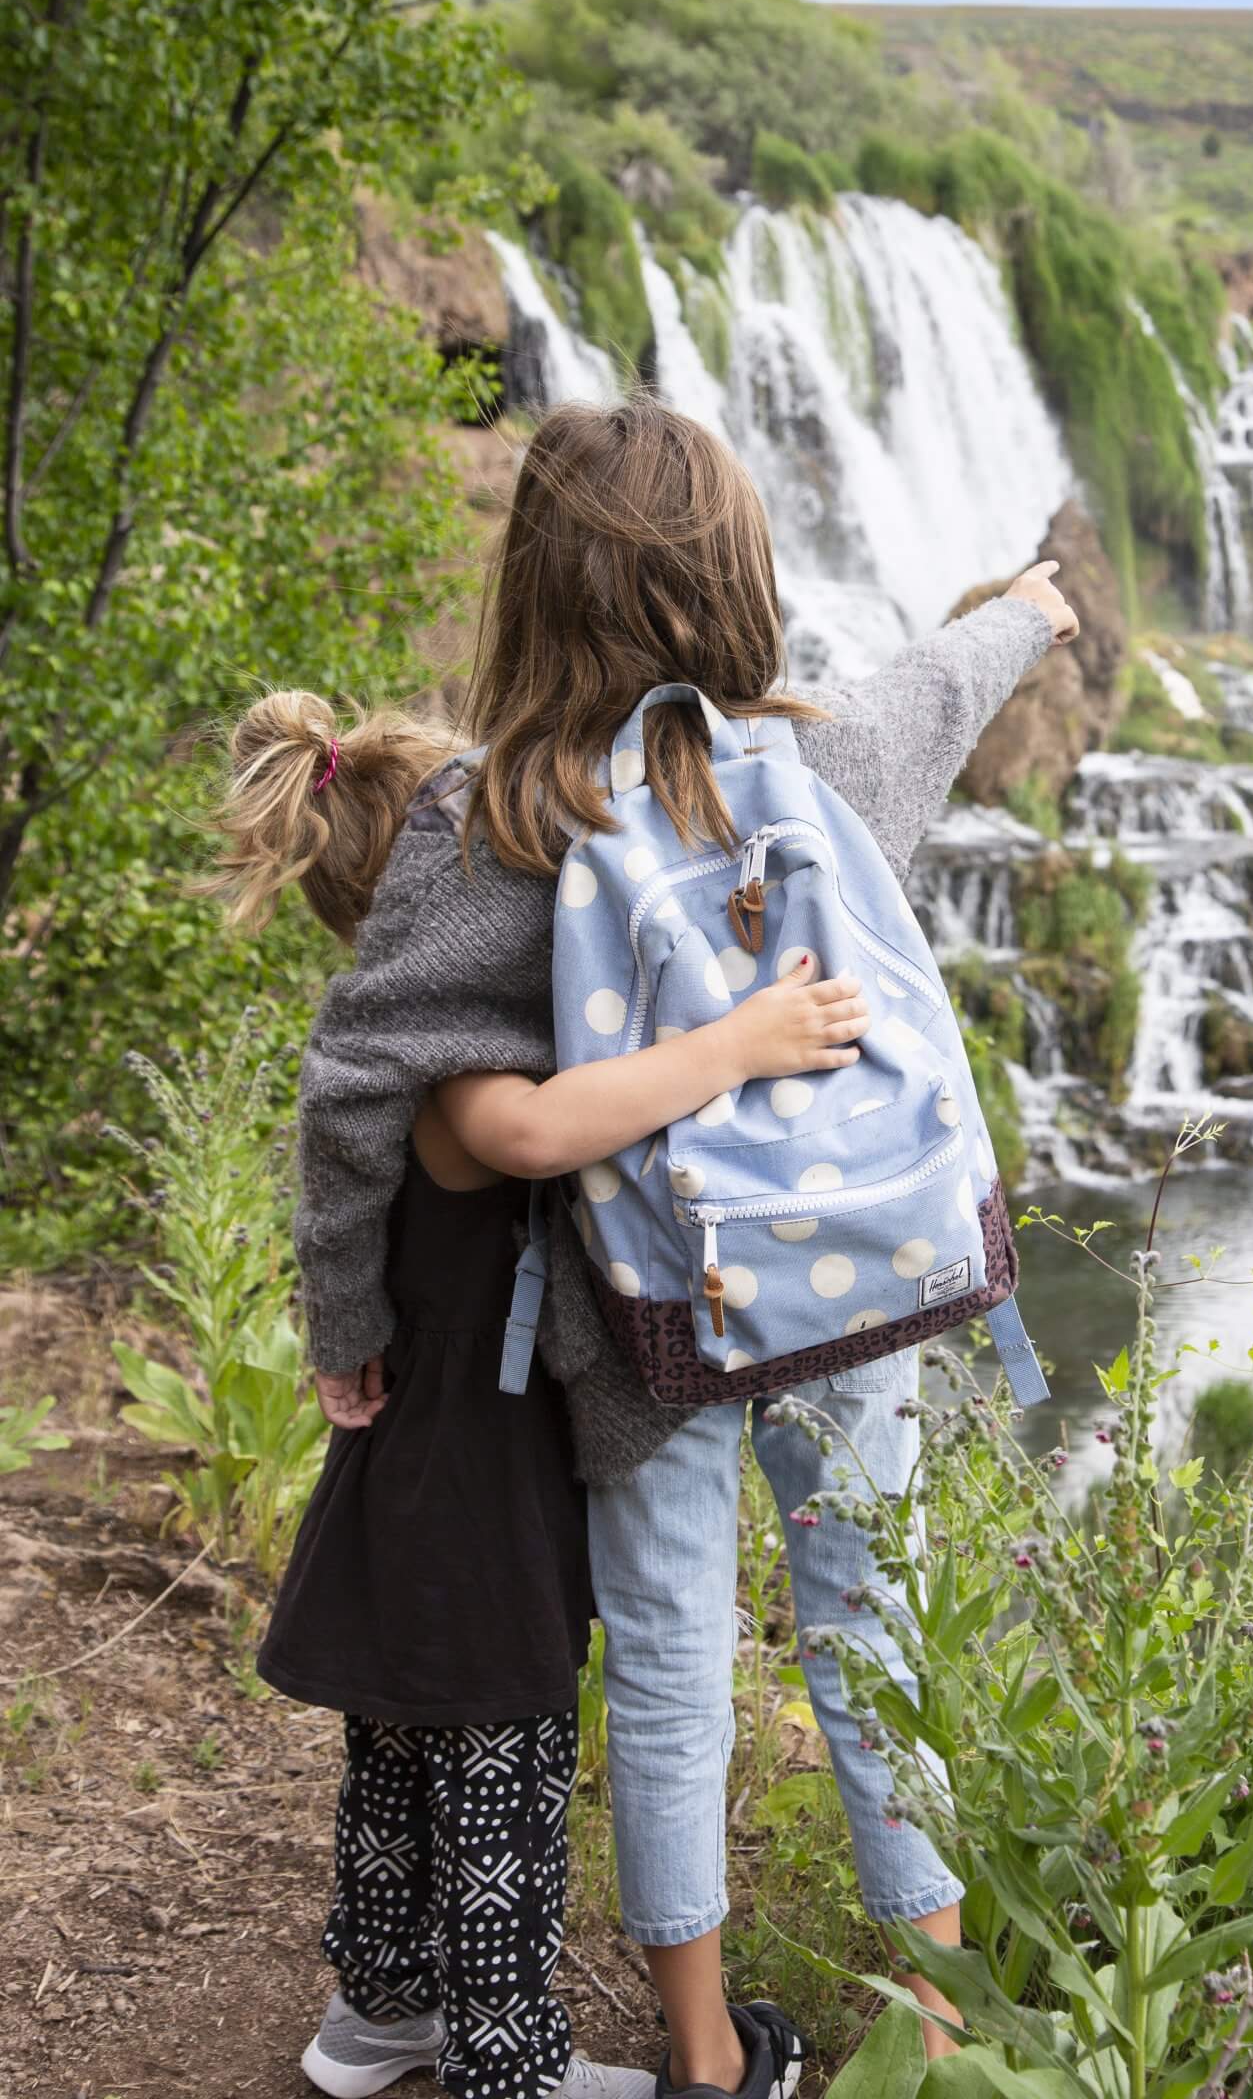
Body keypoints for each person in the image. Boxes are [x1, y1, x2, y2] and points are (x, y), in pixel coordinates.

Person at [291, 399, 1080, 2099]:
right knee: (877, 1631)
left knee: (666, 1660)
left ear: (528, 593)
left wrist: (344, 1315)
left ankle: (707, 2056)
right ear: (741, 580)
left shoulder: (491, 818)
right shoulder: (826, 754)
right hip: (857, 1290)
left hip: (651, 1330)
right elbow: (942, 681)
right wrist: (1031, 609)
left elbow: (357, 1080)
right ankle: (937, 2025)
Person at [212, 689, 869, 2099]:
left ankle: (376, 2012)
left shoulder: (405, 1057)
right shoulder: (459, 1078)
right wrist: (738, 1045)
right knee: (502, 1755)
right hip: (477, 1491)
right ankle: (508, 2059)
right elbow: (536, 1131)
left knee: (397, 1753)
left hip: (408, 1472)